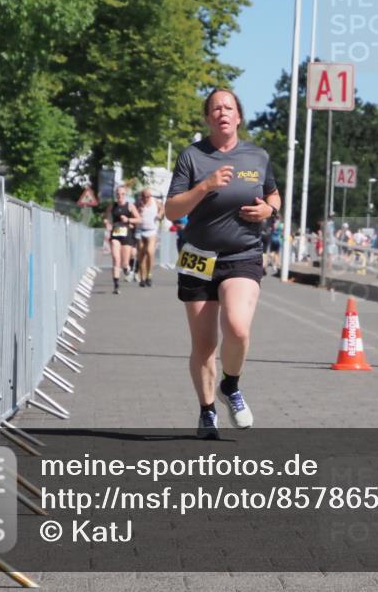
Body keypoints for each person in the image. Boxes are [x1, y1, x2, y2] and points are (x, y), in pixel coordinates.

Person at [165, 88, 280, 439]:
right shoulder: (192, 157)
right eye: (215, 108)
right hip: (198, 257)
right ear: (208, 118)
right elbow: (172, 209)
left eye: (228, 107)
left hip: (242, 254)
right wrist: (205, 186)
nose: (222, 113)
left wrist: (269, 209)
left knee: (238, 328)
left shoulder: (257, 156)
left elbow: (273, 192)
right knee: (203, 346)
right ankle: (207, 411)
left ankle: (230, 385)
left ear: (239, 116)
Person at [104, 186, 140, 295]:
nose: (120, 196)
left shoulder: (130, 206)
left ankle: (126, 268)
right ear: (116, 195)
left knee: (124, 263)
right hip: (115, 235)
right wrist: (107, 223)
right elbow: (105, 217)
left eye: (122, 194)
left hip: (126, 236)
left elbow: (139, 219)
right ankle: (116, 286)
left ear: (125, 195)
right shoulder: (112, 205)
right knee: (116, 259)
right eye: (118, 194)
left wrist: (128, 219)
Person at [135, 188, 164, 287]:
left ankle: (149, 275)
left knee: (150, 252)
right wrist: (138, 210)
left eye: (148, 196)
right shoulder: (138, 203)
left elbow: (162, 208)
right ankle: (142, 278)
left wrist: (160, 214)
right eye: (144, 196)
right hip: (140, 231)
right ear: (141, 196)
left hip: (152, 230)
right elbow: (133, 213)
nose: (146, 198)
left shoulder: (155, 201)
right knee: (141, 255)